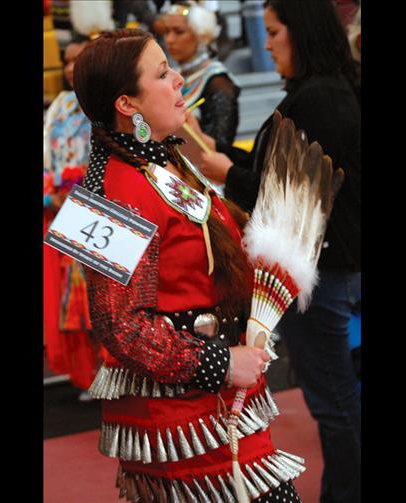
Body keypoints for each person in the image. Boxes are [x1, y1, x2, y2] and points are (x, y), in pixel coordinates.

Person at [73, 28, 305, 502]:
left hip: (211, 405)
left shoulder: (165, 161)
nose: (179, 79)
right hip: (181, 416)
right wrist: (220, 362)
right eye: (162, 74)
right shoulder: (107, 193)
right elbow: (118, 326)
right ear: (127, 104)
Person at [199, 1, 361, 502]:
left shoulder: (320, 99)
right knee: (341, 401)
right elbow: (285, 170)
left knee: (337, 406)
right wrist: (230, 160)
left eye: (273, 33)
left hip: (322, 272)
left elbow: (296, 197)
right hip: (330, 270)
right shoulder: (326, 91)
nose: (265, 44)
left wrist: (227, 173)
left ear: (302, 31)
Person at [43, 35, 98, 399]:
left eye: (78, 58)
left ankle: (117, 367)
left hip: (99, 209)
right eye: (66, 60)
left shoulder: (106, 104)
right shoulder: (59, 107)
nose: (69, 67)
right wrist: (52, 191)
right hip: (61, 208)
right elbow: (47, 154)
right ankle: (89, 372)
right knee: (74, 297)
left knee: (105, 293)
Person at [161, 1, 240, 156]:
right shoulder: (175, 74)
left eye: (178, 31)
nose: (169, 39)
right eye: (167, 31)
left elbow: (221, 146)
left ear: (201, 34)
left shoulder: (218, 81)